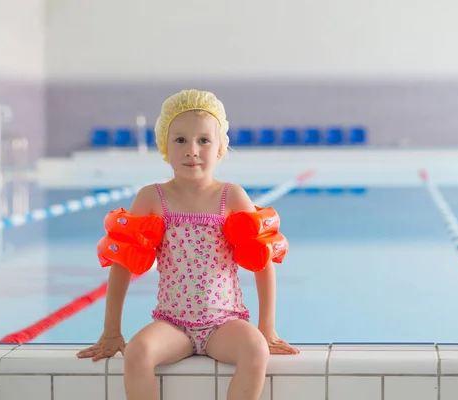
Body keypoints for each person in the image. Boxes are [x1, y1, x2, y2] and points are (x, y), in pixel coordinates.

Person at [76, 89, 299, 400]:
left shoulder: (231, 196)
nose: (191, 150)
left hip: (224, 322)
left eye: (203, 141)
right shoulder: (152, 198)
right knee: (137, 353)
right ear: (164, 146)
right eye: (180, 140)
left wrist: (267, 328)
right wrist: (112, 331)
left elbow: (261, 260)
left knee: (255, 349)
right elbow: (124, 264)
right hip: (173, 323)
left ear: (220, 147)